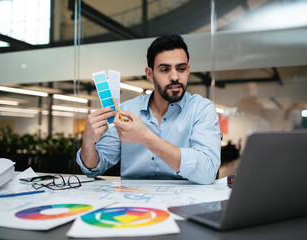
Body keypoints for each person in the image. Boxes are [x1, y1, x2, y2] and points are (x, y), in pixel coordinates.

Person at [76, 34, 220, 184]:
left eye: (181, 68)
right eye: (165, 69)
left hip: (183, 201)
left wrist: (144, 136)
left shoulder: (202, 110)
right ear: (150, 74)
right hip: (133, 200)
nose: (175, 77)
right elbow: (93, 168)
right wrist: (88, 142)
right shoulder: (127, 110)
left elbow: (207, 172)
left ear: (188, 70)